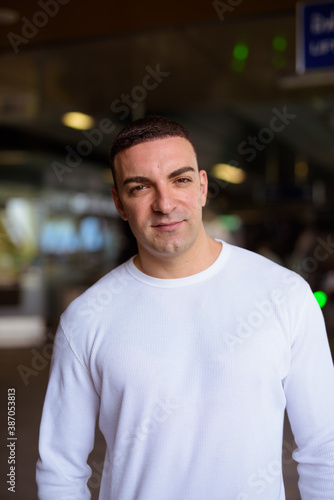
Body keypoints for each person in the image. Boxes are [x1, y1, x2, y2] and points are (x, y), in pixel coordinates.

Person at [36, 115, 334, 500]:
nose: (164, 203)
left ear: (203, 187)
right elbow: (60, 469)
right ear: (119, 204)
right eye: (140, 187)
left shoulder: (286, 294)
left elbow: (325, 446)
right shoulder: (86, 317)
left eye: (180, 180)